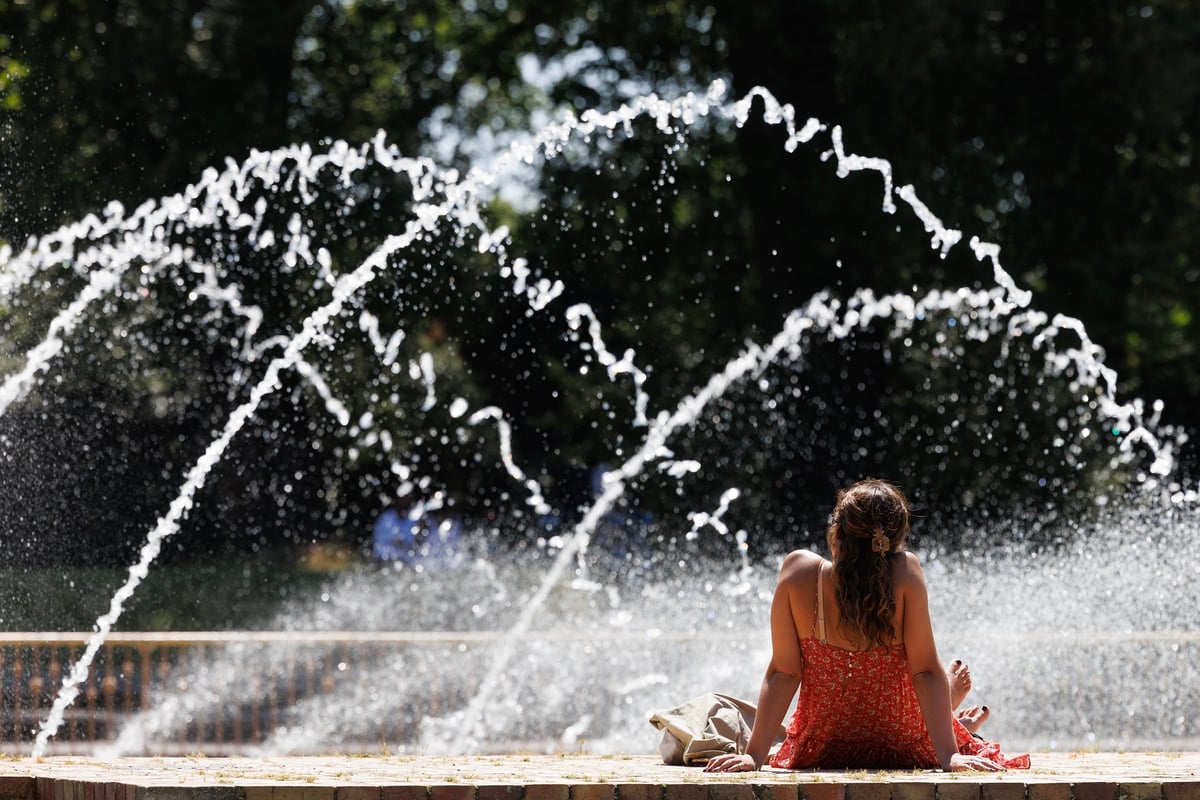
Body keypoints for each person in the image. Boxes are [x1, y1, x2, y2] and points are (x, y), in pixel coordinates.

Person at [703, 479, 1029, 773]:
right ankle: (946, 715)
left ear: (836, 532)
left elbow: (784, 673)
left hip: (822, 746)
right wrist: (949, 756)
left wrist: (754, 756)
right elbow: (925, 671)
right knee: (931, 679)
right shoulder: (905, 573)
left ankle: (945, 711)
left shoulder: (799, 573)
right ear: (894, 540)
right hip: (904, 744)